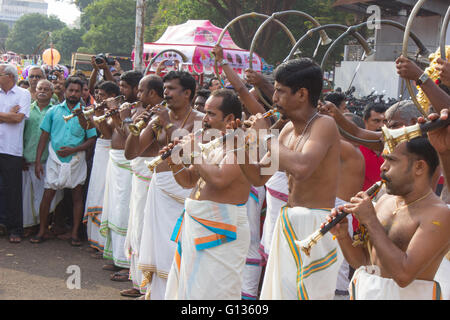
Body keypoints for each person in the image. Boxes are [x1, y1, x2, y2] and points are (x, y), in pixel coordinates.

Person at [235, 58, 343, 300]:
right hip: (288, 222)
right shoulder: (286, 130)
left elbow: (301, 167)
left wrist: (263, 135)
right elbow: (259, 176)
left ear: (302, 94)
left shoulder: (324, 125)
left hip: (316, 225)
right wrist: (238, 146)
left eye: (280, 91)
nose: (273, 98)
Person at [328, 136, 449, 300]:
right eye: (384, 159)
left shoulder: (439, 214)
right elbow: (364, 263)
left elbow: (403, 276)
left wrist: (370, 220)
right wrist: (343, 236)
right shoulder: (385, 201)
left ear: (419, 167)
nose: (383, 167)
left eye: (391, 161)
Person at [164, 88, 251, 300]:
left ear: (229, 118)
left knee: (213, 294)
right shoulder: (214, 143)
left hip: (223, 231)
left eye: (211, 114)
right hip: (198, 224)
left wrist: (194, 151)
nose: (204, 119)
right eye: (204, 112)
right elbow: (188, 181)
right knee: (190, 292)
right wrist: (174, 161)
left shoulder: (242, 145)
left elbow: (220, 179)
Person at [125, 70, 204, 299]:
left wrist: (168, 125)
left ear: (187, 93)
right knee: (158, 247)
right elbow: (132, 153)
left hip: (185, 190)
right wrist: (136, 127)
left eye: (171, 89)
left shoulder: (200, 120)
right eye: (165, 88)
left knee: (177, 247)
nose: (165, 93)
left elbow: (188, 154)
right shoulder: (158, 118)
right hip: (159, 189)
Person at [30, 76, 97, 245]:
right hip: (54, 159)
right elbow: (44, 138)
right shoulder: (53, 111)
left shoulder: (87, 113)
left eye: (77, 91)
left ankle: (74, 234)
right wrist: (38, 161)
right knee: (48, 194)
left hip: (76, 159)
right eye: (71, 90)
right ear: (65, 91)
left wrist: (74, 150)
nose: (74, 94)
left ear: (82, 92)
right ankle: (42, 231)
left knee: (76, 196)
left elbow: (91, 139)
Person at [119, 75, 164, 298]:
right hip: (140, 175)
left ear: (153, 94)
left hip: (150, 177)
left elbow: (134, 148)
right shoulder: (145, 113)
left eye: (142, 91)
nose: (138, 95)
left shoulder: (158, 117)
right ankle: (138, 282)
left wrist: (130, 120)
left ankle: (146, 286)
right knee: (135, 227)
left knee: (143, 229)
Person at [97, 70, 142, 280]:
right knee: (114, 210)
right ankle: (117, 259)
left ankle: (127, 264)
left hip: (128, 165)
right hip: (115, 162)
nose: (120, 91)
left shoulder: (141, 111)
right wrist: (111, 116)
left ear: (136, 88)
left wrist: (122, 117)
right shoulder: (127, 108)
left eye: (124, 87)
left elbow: (129, 138)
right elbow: (108, 133)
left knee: (125, 213)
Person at [82, 80, 121, 256]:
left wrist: (98, 114)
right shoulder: (99, 108)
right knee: (95, 192)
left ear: (112, 96)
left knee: (103, 195)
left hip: (109, 152)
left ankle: (103, 243)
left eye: (102, 95)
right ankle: (93, 239)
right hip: (100, 151)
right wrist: (85, 116)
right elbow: (89, 127)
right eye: (97, 94)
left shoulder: (117, 112)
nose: (98, 97)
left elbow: (107, 133)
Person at [22, 80, 63, 236]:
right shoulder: (27, 110)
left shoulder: (56, 111)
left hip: (48, 159)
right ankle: (31, 225)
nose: (42, 91)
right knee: (29, 196)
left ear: (52, 93)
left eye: (47, 89)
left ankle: (43, 226)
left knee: (47, 196)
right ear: (35, 90)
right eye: (40, 88)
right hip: (27, 158)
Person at [0, 64, 31, 243]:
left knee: (13, 190)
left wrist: (8, 117)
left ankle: (15, 229)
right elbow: (11, 118)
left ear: (9, 77)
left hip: (11, 149)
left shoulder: (23, 94)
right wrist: (7, 116)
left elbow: (18, 118)